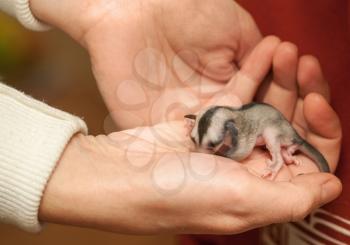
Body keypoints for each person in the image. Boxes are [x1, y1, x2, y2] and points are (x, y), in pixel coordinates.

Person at [0, 0, 342, 236]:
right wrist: (108, 9)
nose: (204, 152)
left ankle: (284, 154)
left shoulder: (242, 132)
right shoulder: (218, 124)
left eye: (210, 145)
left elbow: (240, 147)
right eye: (200, 142)